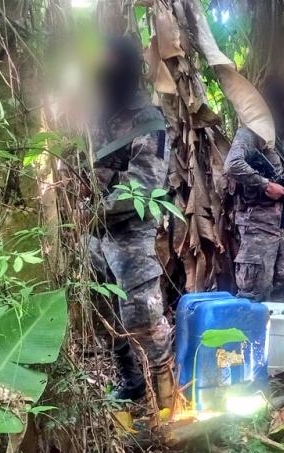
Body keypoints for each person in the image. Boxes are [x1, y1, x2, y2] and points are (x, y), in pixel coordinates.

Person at [88, 36, 176, 409]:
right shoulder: (98, 116)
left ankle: (167, 396)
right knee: (103, 312)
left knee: (143, 315)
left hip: (132, 233)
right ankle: (132, 381)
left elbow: (145, 185)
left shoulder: (146, 118)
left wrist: (91, 211)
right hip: (95, 234)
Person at [225, 79, 284, 303]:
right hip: (257, 227)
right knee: (254, 294)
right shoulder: (251, 133)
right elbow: (232, 164)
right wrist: (265, 184)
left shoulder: (280, 139)